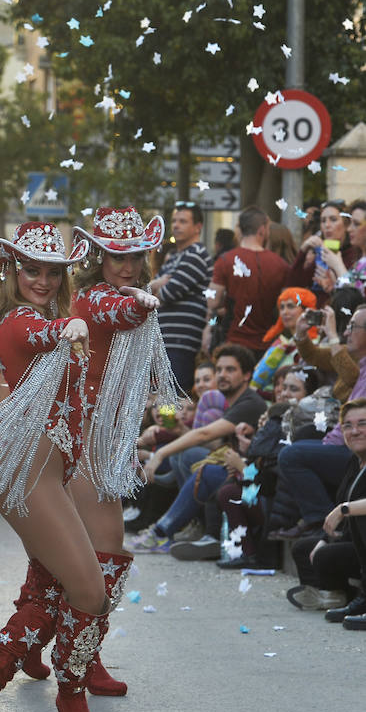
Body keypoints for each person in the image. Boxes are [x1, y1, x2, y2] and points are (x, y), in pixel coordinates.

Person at [6, 209, 175, 695]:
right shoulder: (97, 298)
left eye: (136, 255)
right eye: (117, 255)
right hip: (86, 438)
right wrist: (140, 304)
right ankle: (80, 656)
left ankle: (32, 646)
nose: (127, 265)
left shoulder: (111, 293)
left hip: (108, 437)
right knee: (104, 553)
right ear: (98, 256)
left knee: (61, 556)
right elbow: (114, 312)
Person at [0, 222, 111, 712]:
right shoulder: (22, 321)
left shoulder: (48, 314)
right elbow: (42, 336)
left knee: (49, 590)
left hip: (46, 472)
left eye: (52, 272)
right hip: (28, 475)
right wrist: (67, 330)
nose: (42, 280)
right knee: (89, 590)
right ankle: (72, 695)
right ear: (13, 273)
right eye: (31, 270)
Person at [131, 344, 267, 553]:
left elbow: (204, 435)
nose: (222, 375)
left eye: (230, 370)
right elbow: (213, 443)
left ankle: (161, 532)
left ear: (247, 375)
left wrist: (158, 453)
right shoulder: (228, 400)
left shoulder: (249, 403)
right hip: (237, 471)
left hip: (253, 482)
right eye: (219, 369)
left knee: (195, 460)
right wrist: (175, 431)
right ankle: (193, 524)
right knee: (185, 455)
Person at [267, 305, 366, 540]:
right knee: (298, 436)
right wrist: (301, 334)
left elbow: (349, 375)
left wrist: (332, 337)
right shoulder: (357, 358)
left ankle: (323, 524)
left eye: (353, 327)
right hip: (340, 435)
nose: (346, 332)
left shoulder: (355, 361)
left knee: (293, 455)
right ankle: (300, 519)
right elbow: (314, 356)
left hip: (354, 446)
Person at [207, 206, 289, 351]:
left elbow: (212, 302)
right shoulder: (280, 264)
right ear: (262, 230)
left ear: (241, 228)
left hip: (233, 341)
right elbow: (287, 304)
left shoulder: (226, 260)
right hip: (268, 343)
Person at [314, 398, 366, 629]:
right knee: (308, 549)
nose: (354, 431)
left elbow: (348, 507)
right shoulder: (354, 463)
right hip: (356, 543)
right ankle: (356, 597)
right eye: (348, 425)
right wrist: (325, 538)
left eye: (363, 423)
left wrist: (345, 509)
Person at [151, 203, 212, 391]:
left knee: (173, 399)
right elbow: (154, 293)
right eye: (175, 221)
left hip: (181, 343)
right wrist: (156, 285)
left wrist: (155, 287)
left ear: (198, 227)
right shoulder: (176, 257)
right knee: (158, 399)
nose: (176, 225)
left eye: (183, 221)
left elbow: (167, 294)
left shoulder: (196, 255)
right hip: (166, 342)